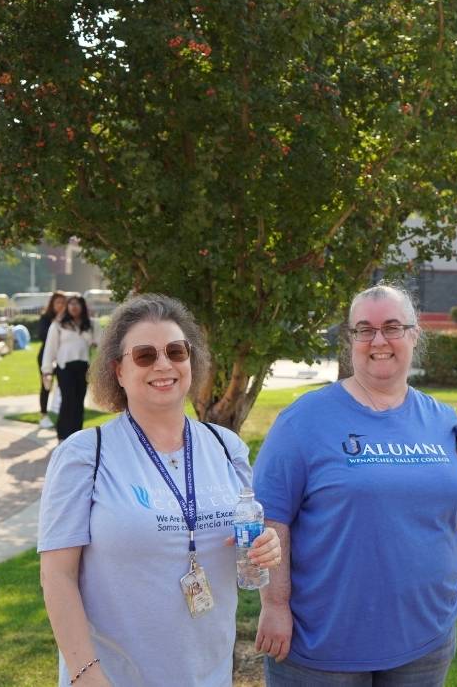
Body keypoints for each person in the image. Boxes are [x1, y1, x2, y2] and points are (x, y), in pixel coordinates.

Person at [252, 284, 457, 686]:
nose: (379, 340)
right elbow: (271, 519)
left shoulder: (443, 422)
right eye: (364, 329)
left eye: (392, 327)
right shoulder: (303, 420)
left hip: (425, 640)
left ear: (414, 334)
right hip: (323, 644)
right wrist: (274, 604)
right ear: (351, 340)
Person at [38, 293, 282, 687]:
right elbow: (57, 577)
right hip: (114, 678)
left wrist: (262, 546)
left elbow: (241, 545)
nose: (164, 364)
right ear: (118, 370)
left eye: (176, 351)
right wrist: (86, 674)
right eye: (145, 355)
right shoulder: (85, 454)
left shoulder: (226, 447)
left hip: (209, 674)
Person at [41, 295, 96, 442]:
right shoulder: (58, 325)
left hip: (83, 367)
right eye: (71, 304)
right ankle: (63, 436)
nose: (74, 307)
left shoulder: (90, 324)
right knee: (68, 400)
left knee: (79, 402)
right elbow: (50, 349)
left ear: (82, 307)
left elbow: (98, 343)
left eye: (77, 304)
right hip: (65, 368)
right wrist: (46, 370)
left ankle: (76, 436)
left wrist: (82, 329)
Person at [37, 291, 67, 429]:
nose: (60, 305)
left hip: (64, 358)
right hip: (46, 357)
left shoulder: (69, 319)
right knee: (46, 385)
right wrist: (55, 323)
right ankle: (43, 413)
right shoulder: (46, 318)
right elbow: (42, 336)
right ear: (52, 304)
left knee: (63, 387)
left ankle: (61, 414)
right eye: (58, 302)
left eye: (63, 302)